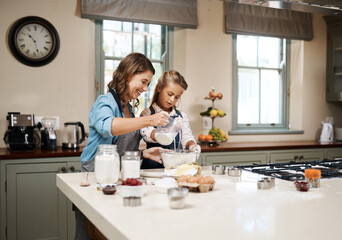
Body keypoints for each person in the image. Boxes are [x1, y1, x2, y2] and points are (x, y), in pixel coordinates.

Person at [75, 52, 170, 240]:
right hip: (95, 178)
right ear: (128, 74)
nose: (145, 88)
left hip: (116, 181)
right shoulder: (105, 102)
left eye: (148, 84)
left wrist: (144, 154)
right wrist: (149, 120)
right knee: (87, 235)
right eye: (143, 81)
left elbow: (121, 151)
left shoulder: (128, 108)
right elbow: (108, 127)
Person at [140, 70, 201, 169]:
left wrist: (191, 146)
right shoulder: (147, 114)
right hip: (152, 167)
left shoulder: (181, 116)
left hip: (175, 167)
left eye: (177, 97)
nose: (172, 99)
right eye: (169, 94)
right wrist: (170, 128)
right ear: (159, 88)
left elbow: (186, 137)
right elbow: (147, 134)